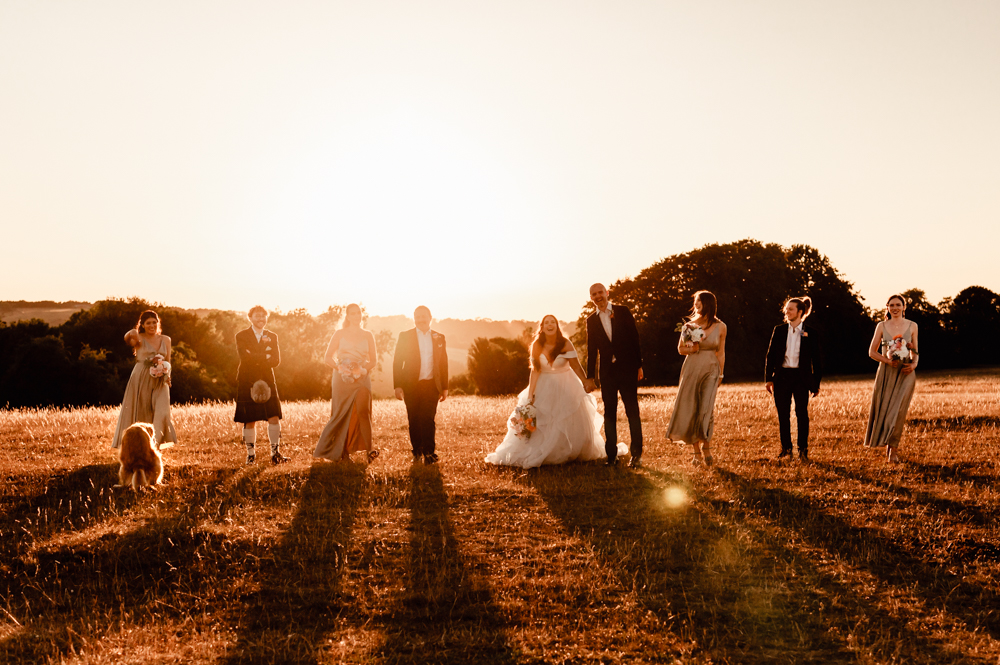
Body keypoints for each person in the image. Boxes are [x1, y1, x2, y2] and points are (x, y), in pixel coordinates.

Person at [486, 316, 626, 468]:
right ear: (542, 327)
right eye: (547, 323)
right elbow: (535, 370)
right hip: (543, 385)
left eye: (553, 322)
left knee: (566, 418)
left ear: (557, 326)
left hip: (566, 385)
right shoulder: (537, 345)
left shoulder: (566, 343)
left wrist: (585, 381)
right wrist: (531, 393)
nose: (550, 325)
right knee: (542, 419)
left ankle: (569, 450)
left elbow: (576, 366)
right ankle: (543, 451)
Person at [583, 283, 644, 467]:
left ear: (607, 293)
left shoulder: (623, 311)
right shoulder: (591, 320)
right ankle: (611, 456)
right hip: (607, 373)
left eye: (600, 292)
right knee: (609, 412)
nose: (598, 296)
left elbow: (635, 338)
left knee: (632, 410)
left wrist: (639, 366)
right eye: (594, 294)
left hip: (628, 369)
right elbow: (592, 349)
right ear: (591, 298)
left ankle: (636, 454)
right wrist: (590, 376)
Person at [665, 291, 727, 466]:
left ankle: (707, 447)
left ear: (708, 303)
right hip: (692, 368)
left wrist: (721, 373)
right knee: (692, 407)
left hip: (711, 369)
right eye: (695, 301)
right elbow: (680, 349)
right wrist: (693, 347)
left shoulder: (721, 326)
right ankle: (696, 452)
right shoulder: (690, 326)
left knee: (706, 408)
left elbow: (721, 352)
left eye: (699, 301)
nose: (696, 304)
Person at [314, 303, 379, 463]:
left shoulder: (368, 335)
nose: (356, 316)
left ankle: (369, 450)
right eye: (353, 313)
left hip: (362, 377)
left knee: (364, 411)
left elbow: (374, 360)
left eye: (358, 313)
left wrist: (361, 370)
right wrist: (341, 368)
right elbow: (328, 357)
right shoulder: (339, 333)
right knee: (342, 413)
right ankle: (343, 453)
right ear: (347, 316)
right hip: (342, 378)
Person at [764, 296, 823, 462]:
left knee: (801, 414)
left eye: (790, 309)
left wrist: (815, 384)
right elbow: (770, 356)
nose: (786, 311)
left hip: (801, 378)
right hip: (782, 377)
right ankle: (786, 449)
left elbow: (817, 361)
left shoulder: (811, 333)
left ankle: (803, 450)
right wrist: (769, 379)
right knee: (783, 414)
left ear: (800, 312)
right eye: (786, 309)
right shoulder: (779, 330)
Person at [864, 294, 919, 462]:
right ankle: (885, 443)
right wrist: (887, 360)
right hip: (887, 372)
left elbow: (915, 351)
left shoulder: (912, 326)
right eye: (892, 305)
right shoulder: (881, 326)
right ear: (887, 307)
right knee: (886, 410)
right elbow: (872, 352)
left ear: (904, 307)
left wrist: (914, 364)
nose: (895, 308)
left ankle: (893, 450)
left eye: (898, 305)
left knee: (899, 411)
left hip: (906, 372)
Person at [111, 310, 177, 450]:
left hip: (161, 377)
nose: (152, 325)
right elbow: (127, 338)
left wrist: (168, 377)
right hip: (141, 376)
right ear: (143, 325)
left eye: (154, 322)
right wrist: (133, 332)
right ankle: (141, 444)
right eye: (148, 323)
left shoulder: (166, 339)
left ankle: (156, 444)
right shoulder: (139, 338)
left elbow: (169, 360)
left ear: (158, 323)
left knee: (162, 410)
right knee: (142, 410)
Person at [393, 306, 449, 463]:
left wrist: (444, 387)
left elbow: (443, 363)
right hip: (411, 385)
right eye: (417, 316)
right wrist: (397, 385)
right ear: (414, 318)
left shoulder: (439, 337)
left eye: (424, 316)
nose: (421, 319)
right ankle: (417, 451)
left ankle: (429, 453)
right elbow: (398, 361)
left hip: (431, 384)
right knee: (414, 418)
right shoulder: (405, 336)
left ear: (430, 317)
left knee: (428, 418)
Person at [234, 306, 288, 466]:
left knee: (274, 416)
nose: (261, 319)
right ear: (250, 318)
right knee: (249, 419)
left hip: (267, 379)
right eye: (257, 316)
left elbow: (276, 360)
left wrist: (255, 356)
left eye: (263, 316)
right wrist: (265, 356)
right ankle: (251, 455)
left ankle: (275, 453)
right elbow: (245, 357)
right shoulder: (241, 335)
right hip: (247, 379)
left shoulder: (272, 336)